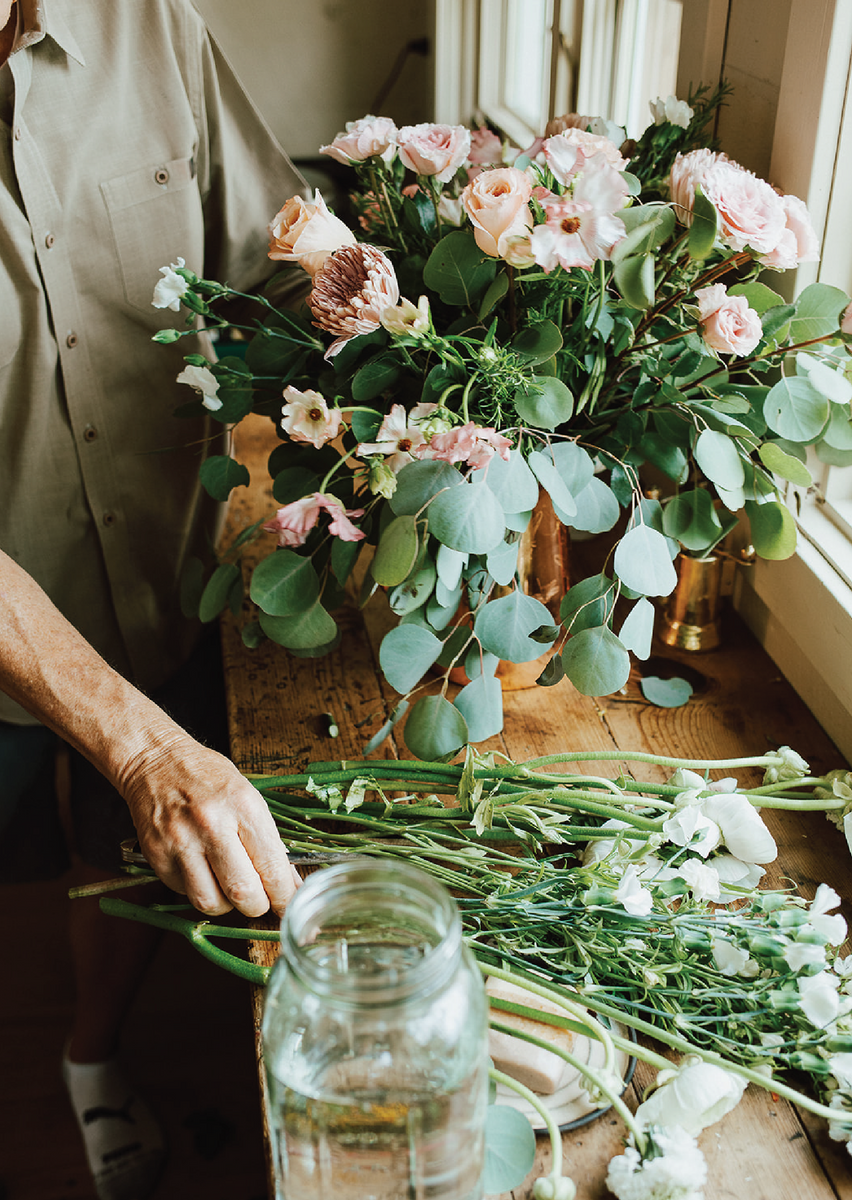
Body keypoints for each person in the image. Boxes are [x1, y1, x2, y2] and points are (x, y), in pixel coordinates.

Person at [0, 1, 307, 1195]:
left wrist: (412, 336)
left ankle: (92, 1057)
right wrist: (138, 745)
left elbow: (272, 266)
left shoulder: (147, 22)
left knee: (122, 860)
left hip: (162, 581)